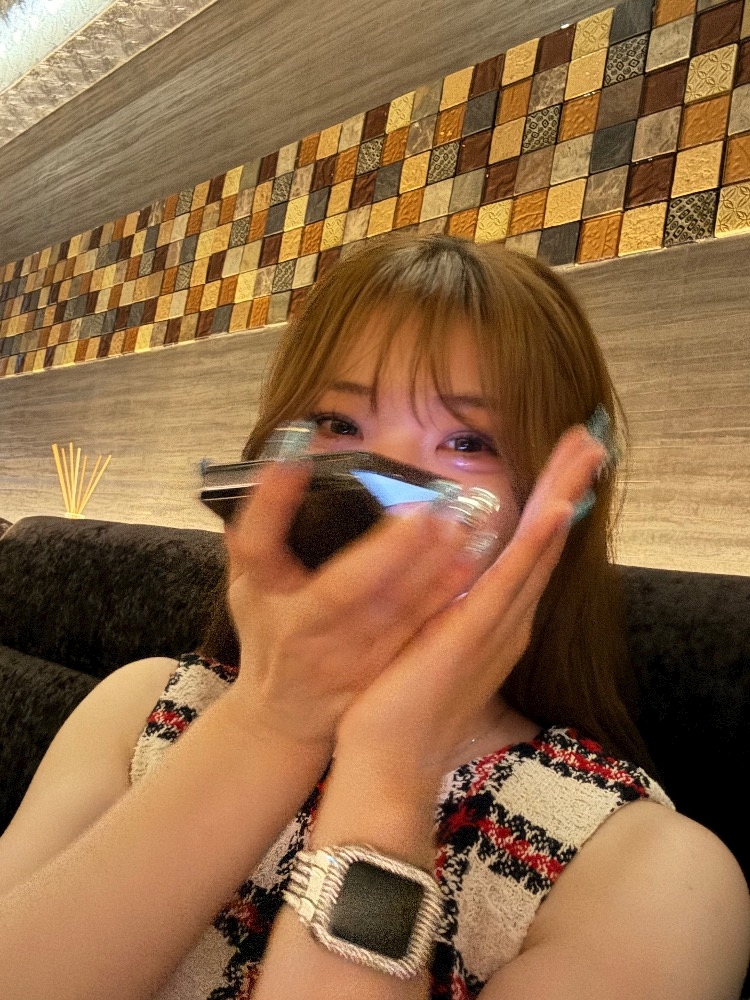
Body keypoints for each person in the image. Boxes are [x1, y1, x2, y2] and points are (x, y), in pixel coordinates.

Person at [0, 234, 747, 1000]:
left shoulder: (649, 879)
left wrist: (392, 768)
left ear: (555, 501)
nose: (379, 488)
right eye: (339, 425)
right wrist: (273, 721)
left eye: (466, 441)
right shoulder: (139, 711)